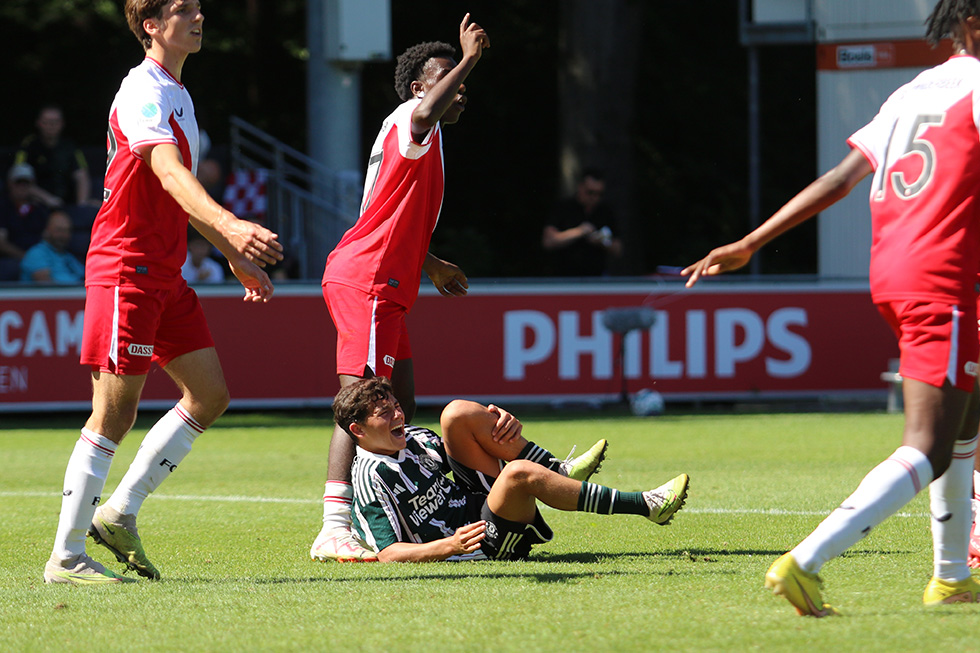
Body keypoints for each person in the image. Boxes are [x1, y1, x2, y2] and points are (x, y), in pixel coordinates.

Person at [683, 0, 980, 615]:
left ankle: (952, 576)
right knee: (927, 445)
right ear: (973, 24)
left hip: (894, 274)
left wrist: (749, 242)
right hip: (943, 279)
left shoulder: (912, 92)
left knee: (963, 427)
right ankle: (805, 561)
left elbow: (841, 179)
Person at [43, 0, 283, 586]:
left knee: (210, 395)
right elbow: (170, 173)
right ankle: (67, 557)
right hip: (126, 269)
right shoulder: (140, 89)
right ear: (151, 26)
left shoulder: (177, 92)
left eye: (201, 8)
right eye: (183, 10)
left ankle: (119, 513)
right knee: (114, 414)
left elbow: (179, 191)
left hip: (165, 274)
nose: (199, 17)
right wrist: (231, 227)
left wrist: (229, 254)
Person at [310, 14, 490, 562]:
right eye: (448, 80)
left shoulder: (416, 138)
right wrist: (471, 57)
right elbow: (431, 107)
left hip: (383, 278)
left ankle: (411, 502)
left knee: (401, 402)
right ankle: (334, 526)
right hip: (366, 279)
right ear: (420, 88)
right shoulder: (415, 119)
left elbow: (385, 217)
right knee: (362, 399)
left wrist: (430, 264)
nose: (460, 91)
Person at [336, 377, 689, 562]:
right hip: (477, 542)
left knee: (457, 413)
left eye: (397, 406)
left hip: (481, 506)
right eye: (385, 414)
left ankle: (556, 469)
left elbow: (464, 448)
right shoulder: (369, 477)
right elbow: (387, 553)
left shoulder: (409, 438)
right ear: (358, 431)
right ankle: (647, 505)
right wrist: (450, 546)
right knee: (519, 473)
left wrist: (498, 426)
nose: (398, 415)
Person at [542, 168, 623, 277]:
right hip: (565, 278)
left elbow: (618, 249)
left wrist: (601, 241)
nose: (595, 197)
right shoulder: (564, 208)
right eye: (590, 192)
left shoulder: (605, 212)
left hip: (596, 278)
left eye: (600, 194)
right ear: (580, 187)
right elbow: (548, 242)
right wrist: (578, 232)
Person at [14, 104, 93, 208]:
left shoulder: (70, 146)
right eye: (46, 122)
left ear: (62, 123)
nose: (51, 125)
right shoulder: (28, 145)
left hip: (67, 204)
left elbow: (82, 175)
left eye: (55, 122)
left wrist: (82, 204)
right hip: (36, 204)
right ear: (38, 123)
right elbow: (18, 177)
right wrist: (47, 198)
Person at [20, 209, 85, 283]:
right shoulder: (36, 254)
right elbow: (46, 286)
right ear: (46, 231)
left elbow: (84, 277)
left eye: (67, 230)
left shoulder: (68, 256)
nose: (64, 235)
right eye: (59, 230)